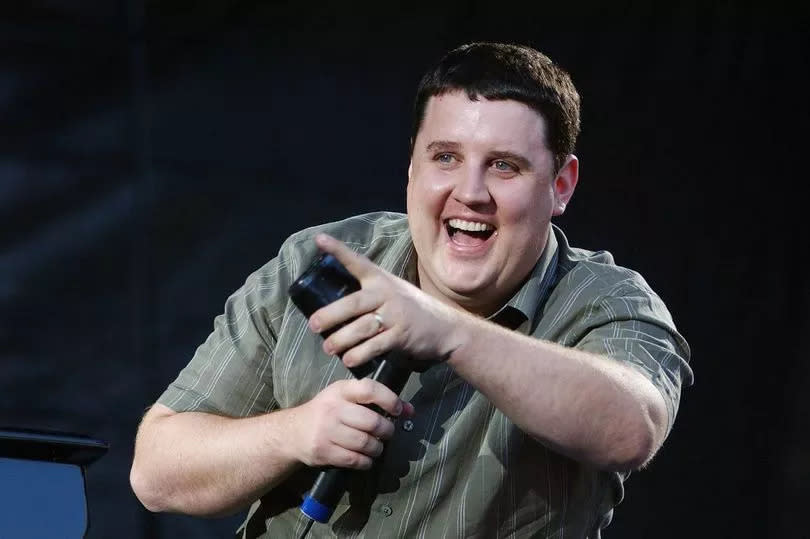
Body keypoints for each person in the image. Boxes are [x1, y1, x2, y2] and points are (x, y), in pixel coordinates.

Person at [130, 42, 692, 538]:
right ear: (412, 170)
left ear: (561, 185)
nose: (470, 193)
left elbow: (631, 429)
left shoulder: (603, 301)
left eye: (504, 166)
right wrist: (294, 433)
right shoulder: (322, 261)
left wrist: (448, 331)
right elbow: (157, 473)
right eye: (446, 158)